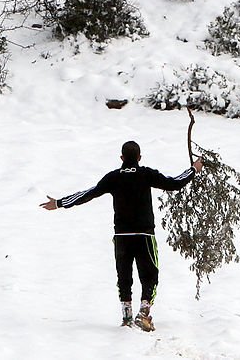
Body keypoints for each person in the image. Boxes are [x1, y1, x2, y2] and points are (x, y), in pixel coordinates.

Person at [40, 141, 203, 332]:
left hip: (122, 237)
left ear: (122, 158)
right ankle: (143, 314)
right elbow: (174, 183)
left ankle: (126, 317)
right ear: (140, 158)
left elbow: (88, 194)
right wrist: (194, 169)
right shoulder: (146, 174)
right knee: (150, 275)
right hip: (144, 235)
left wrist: (59, 203)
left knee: (124, 276)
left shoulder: (113, 178)